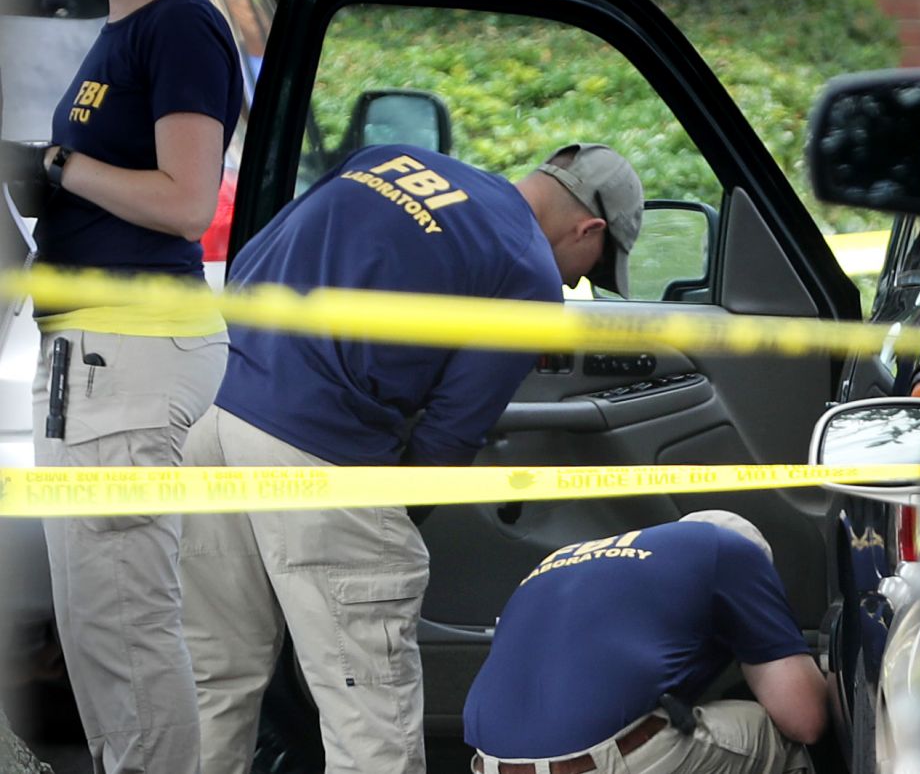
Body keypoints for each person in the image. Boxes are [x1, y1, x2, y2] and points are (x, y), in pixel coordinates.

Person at [176, 141, 645, 774]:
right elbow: (446, 444)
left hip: (210, 414)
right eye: (591, 266)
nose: (575, 281)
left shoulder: (393, 159)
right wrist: (393, 517)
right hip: (318, 453)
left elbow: (255, 258)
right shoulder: (528, 273)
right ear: (589, 227)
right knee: (371, 716)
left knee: (215, 679)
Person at [32, 0, 243, 771]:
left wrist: (53, 168)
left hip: (129, 353)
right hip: (95, 356)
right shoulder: (125, 24)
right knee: (99, 635)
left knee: (125, 634)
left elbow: (188, 203)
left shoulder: (182, 24)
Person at [464, 511, 828, 774]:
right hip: (594, 763)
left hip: (490, 764)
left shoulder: (561, 559)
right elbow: (805, 719)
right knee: (776, 736)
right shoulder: (731, 551)